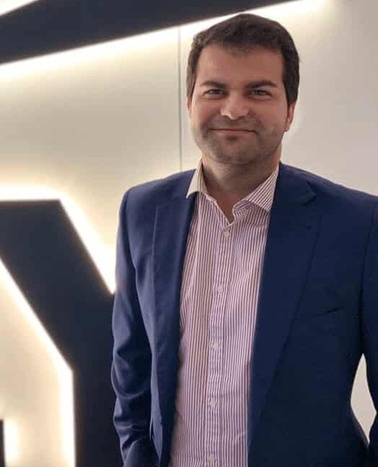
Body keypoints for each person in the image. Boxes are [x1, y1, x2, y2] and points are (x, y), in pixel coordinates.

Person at [111, 13, 378, 467]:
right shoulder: (142, 211)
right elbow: (131, 367)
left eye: (258, 91)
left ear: (290, 109)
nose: (234, 109)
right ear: (190, 102)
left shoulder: (359, 224)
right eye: (214, 90)